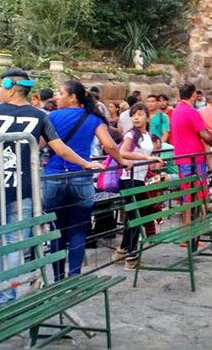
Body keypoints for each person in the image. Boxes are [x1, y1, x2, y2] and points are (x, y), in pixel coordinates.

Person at [0, 68, 102, 305]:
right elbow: (61, 149)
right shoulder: (40, 116)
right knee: (15, 244)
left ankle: (1, 297)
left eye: (0, 87)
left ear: (10, 87)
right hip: (23, 189)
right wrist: (86, 163)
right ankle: (7, 298)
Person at [44, 81, 128, 279]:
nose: (57, 97)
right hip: (81, 177)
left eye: (60, 93)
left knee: (57, 229)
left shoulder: (52, 117)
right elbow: (109, 145)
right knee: (78, 229)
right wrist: (122, 161)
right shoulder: (93, 119)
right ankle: (74, 276)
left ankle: (58, 278)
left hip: (55, 175)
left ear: (73, 97)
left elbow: (39, 145)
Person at [117, 103, 164, 269]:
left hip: (139, 178)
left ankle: (123, 249)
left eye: (139, 114)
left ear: (147, 117)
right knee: (136, 216)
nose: (136, 117)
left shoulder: (147, 135)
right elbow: (123, 152)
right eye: (133, 114)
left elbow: (147, 153)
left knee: (134, 216)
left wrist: (152, 162)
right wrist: (147, 159)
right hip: (129, 178)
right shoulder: (132, 134)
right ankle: (131, 256)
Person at [170, 83, 212, 229]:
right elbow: (206, 136)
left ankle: (188, 227)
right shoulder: (192, 112)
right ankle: (196, 227)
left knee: (186, 194)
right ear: (193, 95)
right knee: (199, 192)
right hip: (194, 159)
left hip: (181, 157)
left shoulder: (176, 111)